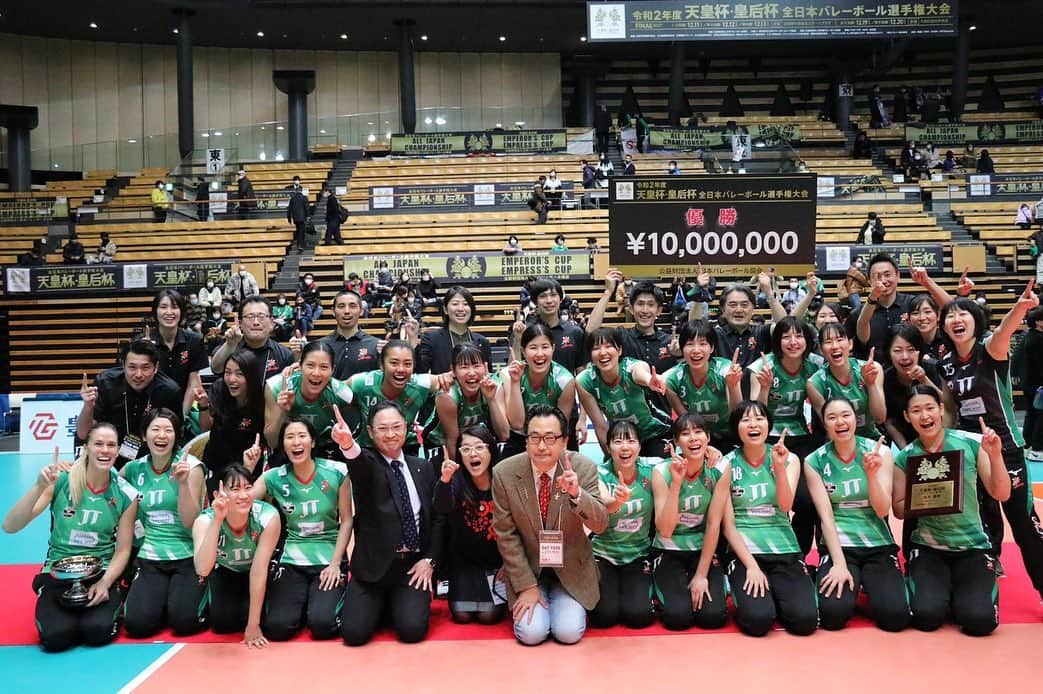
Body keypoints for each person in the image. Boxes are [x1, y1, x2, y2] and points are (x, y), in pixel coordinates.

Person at [938, 284, 1043, 596]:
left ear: (975, 321)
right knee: (982, 519)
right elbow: (949, 412)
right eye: (950, 315)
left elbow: (1005, 330)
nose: (956, 319)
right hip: (972, 453)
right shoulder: (945, 365)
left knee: (1023, 525)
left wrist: (1021, 308)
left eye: (963, 314)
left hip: (1006, 450)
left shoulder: (990, 351)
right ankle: (987, 570)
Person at [2, 424, 138, 652]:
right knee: (56, 638)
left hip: (100, 571)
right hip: (57, 571)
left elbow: (123, 549)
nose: (105, 450)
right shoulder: (62, 481)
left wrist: (105, 583)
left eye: (111, 445)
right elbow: (10, 526)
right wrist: (39, 486)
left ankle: (114, 595)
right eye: (98, 444)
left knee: (97, 632)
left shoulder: (126, 494)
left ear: (117, 452)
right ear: (86, 449)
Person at [892, 386, 1010, 636]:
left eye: (930, 408)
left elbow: (1001, 493)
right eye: (916, 410)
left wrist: (996, 455)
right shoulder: (905, 458)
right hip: (928, 549)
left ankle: (971, 589)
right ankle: (937, 587)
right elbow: (899, 510)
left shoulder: (971, 443)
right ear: (906, 416)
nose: (924, 416)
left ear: (941, 410)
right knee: (926, 617)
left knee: (979, 622)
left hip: (973, 547)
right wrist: (923, 495)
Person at [492, 404, 609, 645]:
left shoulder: (583, 468)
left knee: (568, 633)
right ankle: (534, 594)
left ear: (564, 441)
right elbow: (506, 535)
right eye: (534, 438)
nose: (542, 446)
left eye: (550, 438)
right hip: (529, 569)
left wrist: (578, 495)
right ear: (526, 441)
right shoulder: (504, 473)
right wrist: (526, 586)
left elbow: (601, 525)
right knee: (531, 634)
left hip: (571, 569)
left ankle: (565, 603)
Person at [334, 402, 443, 645]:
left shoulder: (422, 467)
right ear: (371, 433)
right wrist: (348, 445)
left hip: (411, 568)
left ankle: (396, 604)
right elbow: (359, 465)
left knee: (412, 631)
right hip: (372, 569)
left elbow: (437, 518)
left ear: (407, 428)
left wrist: (429, 560)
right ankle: (381, 605)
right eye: (383, 429)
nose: (391, 434)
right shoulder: (369, 465)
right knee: (354, 635)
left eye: (396, 427)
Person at [804, 398, 910, 631]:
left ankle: (874, 584)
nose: (840, 422)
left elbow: (883, 511)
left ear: (855, 418)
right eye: (832, 417)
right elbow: (826, 518)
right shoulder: (814, 461)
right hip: (839, 545)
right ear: (824, 423)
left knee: (895, 619)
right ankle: (824, 574)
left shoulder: (880, 452)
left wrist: (871, 475)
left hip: (877, 543)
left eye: (845, 415)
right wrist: (839, 563)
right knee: (832, 617)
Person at [718, 402, 818, 636]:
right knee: (758, 621)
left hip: (783, 548)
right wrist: (751, 567)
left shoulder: (789, 458)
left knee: (804, 622)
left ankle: (791, 585)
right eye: (745, 420)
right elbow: (728, 525)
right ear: (737, 428)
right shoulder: (726, 463)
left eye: (759, 418)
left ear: (769, 425)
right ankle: (733, 580)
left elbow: (786, 506)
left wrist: (780, 469)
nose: (753, 424)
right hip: (745, 552)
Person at [252, 416, 351, 640]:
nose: (296, 442)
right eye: (289, 437)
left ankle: (321, 602)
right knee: (277, 628)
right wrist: (249, 470)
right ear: (283, 444)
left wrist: (336, 564)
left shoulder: (338, 472)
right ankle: (302, 604)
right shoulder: (273, 477)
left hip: (329, 556)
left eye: (302, 436)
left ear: (313, 442)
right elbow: (244, 503)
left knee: (323, 626)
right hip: (292, 558)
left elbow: (347, 520)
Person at [121, 409, 207, 638]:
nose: (162, 436)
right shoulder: (133, 469)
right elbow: (106, 489)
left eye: (168, 430)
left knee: (184, 623)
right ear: (144, 434)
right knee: (137, 626)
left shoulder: (192, 468)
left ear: (176, 436)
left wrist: (182, 485)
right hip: (150, 556)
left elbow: (190, 522)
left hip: (187, 554)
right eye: (155, 429)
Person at [747, 317, 826, 554]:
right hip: (766, 437)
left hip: (801, 436)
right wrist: (764, 387)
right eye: (786, 336)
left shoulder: (816, 364)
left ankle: (799, 554)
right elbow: (754, 414)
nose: (793, 342)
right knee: (768, 500)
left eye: (799, 336)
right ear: (777, 341)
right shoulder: (763, 366)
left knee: (807, 501)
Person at [651, 414, 729, 631]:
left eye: (698, 432)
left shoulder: (720, 469)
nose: (693, 439)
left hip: (702, 548)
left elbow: (714, 524)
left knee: (713, 617)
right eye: (685, 434)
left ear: (708, 437)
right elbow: (665, 530)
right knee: (678, 619)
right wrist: (676, 483)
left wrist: (702, 575)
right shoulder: (662, 471)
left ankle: (719, 581)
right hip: (668, 548)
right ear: (676, 442)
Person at [193, 464, 281, 646]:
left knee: (273, 625)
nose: (243, 495)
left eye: (248, 488)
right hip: (226, 570)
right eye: (234, 489)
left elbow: (258, 571)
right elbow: (202, 569)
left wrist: (253, 625)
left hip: (258, 571)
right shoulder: (204, 520)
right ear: (219, 494)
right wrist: (218, 519)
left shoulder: (267, 517)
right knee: (222, 624)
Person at [588, 420, 656, 630]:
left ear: (639, 446)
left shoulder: (653, 469)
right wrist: (618, 501)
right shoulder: (597, 472)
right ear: (608, 447)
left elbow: (688, 460)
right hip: (603, 554)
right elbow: (605, 505)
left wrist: (709, 451)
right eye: (618, 441)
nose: (625, 447)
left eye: (631, 441)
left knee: (639, 617)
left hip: (638, 555)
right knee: (603, 617)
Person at [434, 426, 505, 625]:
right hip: (463, 562)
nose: (473, 453)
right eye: (465, 449)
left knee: (488, 617)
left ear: (491, 450)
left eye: (479, 447)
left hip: (497, 562)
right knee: (462, 617)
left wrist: (509, 564)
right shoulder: (455, 481)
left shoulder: (503, 480)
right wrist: (445, 480)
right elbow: (441, 506)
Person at [77, 340, 182, 469]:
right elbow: (83, 433)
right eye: (132, 367)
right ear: (123, 365)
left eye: (145, 368)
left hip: (152, 458)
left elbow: (175, 437)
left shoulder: (169, 391)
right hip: (109, 452)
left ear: (156, 368)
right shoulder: (105, 383)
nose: (138, 375)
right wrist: (88, 407)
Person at [576, 327, 671, 456]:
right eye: (596, 348)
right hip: (623, 440)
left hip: (655, 433)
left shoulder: (631, 366)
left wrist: (649, 380)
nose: (603, 352)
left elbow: (639, 372)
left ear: (619, 350)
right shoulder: (585, 381)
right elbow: (601, 426)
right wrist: (610, 458)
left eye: (609, 346)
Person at [348, 340, 447, 456]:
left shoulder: (421, 384)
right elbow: (333, 390)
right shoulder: (361, 383)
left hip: (406, 448)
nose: (401, 369)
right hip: (367, 448)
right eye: (394, 363)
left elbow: (448, 378)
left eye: (407, 364)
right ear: (382, 365)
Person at [264, 341, 354, 457]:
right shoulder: (277, 386)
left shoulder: (340, 392)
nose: (316, 373)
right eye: (310, 365)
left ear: (332, 370)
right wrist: (283, 412)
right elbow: (272, 442)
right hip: (288, 451)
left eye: (324, 367)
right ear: (300, 365)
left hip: (326, 451)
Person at [663, 319, 743, 449]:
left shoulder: (725, 370)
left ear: (711, 348)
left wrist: (733, 385)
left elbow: (737, 415)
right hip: (696, 437)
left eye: (702, 344)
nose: (696, 350)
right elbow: (686, 420)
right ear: (682, 349)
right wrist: (705, 447)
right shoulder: (671, 379)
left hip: (729, 435)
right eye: (689, 344)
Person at [198, 348, 266, 498]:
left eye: (239, 374)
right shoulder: (218, 388)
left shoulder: (263, 398)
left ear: (252, 376)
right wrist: (203, 406)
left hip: (250, 467)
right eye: (227, 372)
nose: (231, 379)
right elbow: (205, 428)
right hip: (217, 466)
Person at [503, 323, 578, 459]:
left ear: (553, 348)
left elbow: (561, 426)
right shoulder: (510, 375)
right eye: (533, 348)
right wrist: (514, 382)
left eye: (545, 347)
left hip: (551, 437)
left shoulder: (564, 380)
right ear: (523, 351)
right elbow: (517, 423)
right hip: (519, 438)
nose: (540, 354)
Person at [428, 343, 509, 461]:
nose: (471, 373)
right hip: (440, 443)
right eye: (464, 367)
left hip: (471, 440)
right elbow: (452, 440)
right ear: (453, 370)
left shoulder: (494, 385)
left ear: (486, 367)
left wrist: (491, 399)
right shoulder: (448, 395)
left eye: (476, 366)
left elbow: (504, 434)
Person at [807, 322, 886, 440]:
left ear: (850, 344)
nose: (835, 346)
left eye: (839, 339)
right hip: (838, 441)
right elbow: (830, 427)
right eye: (828, 342)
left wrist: (871, 384)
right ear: (821, 350)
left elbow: (879, 418)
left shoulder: (872, 369)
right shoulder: (815, 383)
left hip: (870, 438)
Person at [882, 325, 945, 450]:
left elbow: (947, 406)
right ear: (889, 353)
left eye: (910, 350)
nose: (905, 356)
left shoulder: (933, 369)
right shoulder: (885, 379)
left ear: (919, 351)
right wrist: (906, 450)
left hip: (941, 438)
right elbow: (889, 421)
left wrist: (923, 379)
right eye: (898, 351)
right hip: (908, 443)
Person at [846, 253, 918, 363]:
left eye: (887, 275)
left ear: (898, 276)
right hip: (870, 376)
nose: (883, 280)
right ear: (869, 281)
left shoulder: (913, 305)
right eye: (877, 276)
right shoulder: (857, 314)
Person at [148, 289, 209, 418]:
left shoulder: (194, 340)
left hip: (184, 405)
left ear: (181, 312)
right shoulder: (144, 341)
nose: (169, 312)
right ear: (155, 312)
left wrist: (181, 417)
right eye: (163, 307)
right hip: (151, 409)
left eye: (174, 307)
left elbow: (193, 383)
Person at [211, 295, 295, 382]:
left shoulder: (285, 355)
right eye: (250, 317)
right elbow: (216, 369)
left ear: (271, 323)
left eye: (261, 317)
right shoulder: (230, 346)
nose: (256, 322)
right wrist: (230, 345)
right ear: (240, 323)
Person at [320, 288, 381, 381]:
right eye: (341, 306)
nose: (347, 311)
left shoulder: (376, 345)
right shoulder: (320, 345)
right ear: (333, 311)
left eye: (352, 306)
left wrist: (386, 355)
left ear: (361, 311)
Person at [908, 294, 950, 361]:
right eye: (916, 313)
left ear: (938, 315)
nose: (922, 318)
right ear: (909, 318)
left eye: (927, 312)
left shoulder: (950, 338)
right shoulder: (906, 342)